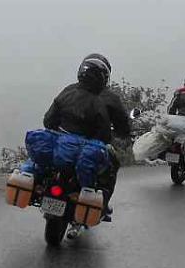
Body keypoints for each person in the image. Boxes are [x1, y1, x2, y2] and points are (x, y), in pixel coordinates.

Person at [43, 53, 130, 220]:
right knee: (112, 165)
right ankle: (102, 205)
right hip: (90, 145)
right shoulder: (106, 99)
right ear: (104, 76)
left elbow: (48, 120)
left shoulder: (68, 90)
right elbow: (110, 131)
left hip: (62, 142)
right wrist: (121, 134)